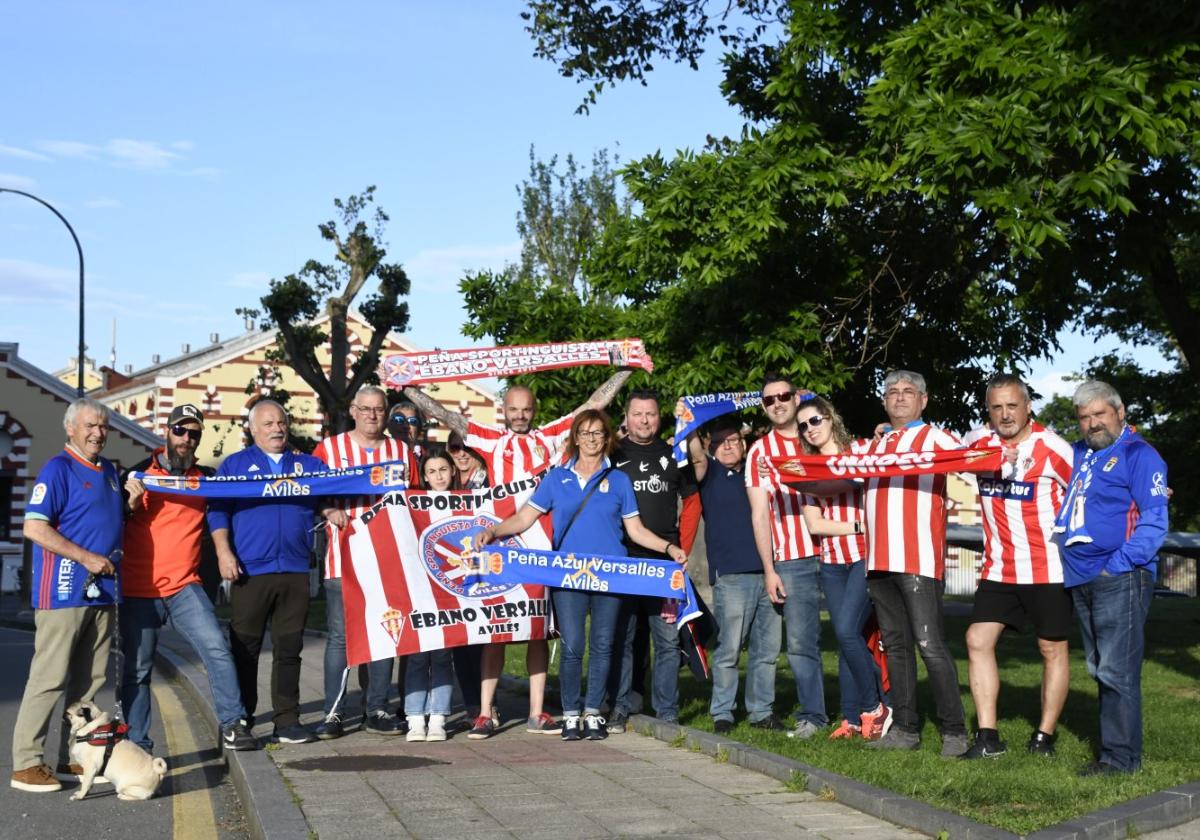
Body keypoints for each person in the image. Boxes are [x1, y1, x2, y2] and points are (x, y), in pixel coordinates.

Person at [403, 371, 631, 738]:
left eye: (526, 410)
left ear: (534, 411)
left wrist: (622, 372)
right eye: (514, 409)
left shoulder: (550, 437)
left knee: (537, 629)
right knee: (497, 629)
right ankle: (484, 710)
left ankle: (537, 712)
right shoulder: (492, 440)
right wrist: (410, 389)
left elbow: (593, 406)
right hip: (505, 543)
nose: (521, 415)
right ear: (504, 411)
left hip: (543, 549)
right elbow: (449, 417)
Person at [475, 410, 688, 740]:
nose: (591, 439)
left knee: (603, 645)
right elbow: (524, 518)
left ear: (607, 438)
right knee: (573, 645)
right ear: (575, 438)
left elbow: (636, 530)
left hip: (610, 576)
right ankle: (571, 712)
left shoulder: (619, 480)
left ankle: (593, 713)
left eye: (598, 433)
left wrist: (669, 548)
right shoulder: (556, 479)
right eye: (585, 433)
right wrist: (494, 531)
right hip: (568, 576)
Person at [120, 404, 258, 754]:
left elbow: (246, 483)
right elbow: (108, 523)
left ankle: (233, 723)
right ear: (166, 432)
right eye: (180, 431)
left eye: (194, 433)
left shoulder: (205, 478)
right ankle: (138, 743)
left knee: (216, 648)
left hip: (185, 586)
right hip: (140, 590)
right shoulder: (136, 475)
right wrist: (128, 507)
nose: (186, 439)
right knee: (137, 670)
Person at [208, 400, 344, 744]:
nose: (277, 429)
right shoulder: (235, 466)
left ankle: (287, 721)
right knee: (245, 649)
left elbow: (323, 496)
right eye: (268, 423)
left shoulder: (308, 465)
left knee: (289, 649)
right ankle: (242, 719)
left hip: (296, 570)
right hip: (250, 571)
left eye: (281, 422)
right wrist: (224, 553)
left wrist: (329, 510)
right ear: (252, 430)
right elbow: (217, 512)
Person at [960, 375, 1074, 759]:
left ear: (1027, 407)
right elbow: (935, 454)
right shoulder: (977, 444)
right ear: (988, 411)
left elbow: (1091, 487)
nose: (1005, 415)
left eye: (1012, 406)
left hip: (1048, 568)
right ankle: (988, 738)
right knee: (977, 640)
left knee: (1051, 649)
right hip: (999, 569)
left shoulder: (1053, 447)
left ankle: (1044, 737)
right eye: (997, 407)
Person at [11, 399, 122, 793]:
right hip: (62, 592)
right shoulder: (57, 469)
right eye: (90, 425)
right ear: (70, 429)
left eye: (104, 426)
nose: (98, 432)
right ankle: (26, 763)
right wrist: (86, 557)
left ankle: (73, 757)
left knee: (88, 684)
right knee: (50, 678)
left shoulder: (108, 471)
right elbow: (35, 528)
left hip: (101, 593)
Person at [1059, 380, 1168, 776]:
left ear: (1120, 413)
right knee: (1099, 668)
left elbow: (1155, 522)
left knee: (1116, 671)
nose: (1092, 423)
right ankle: (1110, 754)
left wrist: (1116, 565)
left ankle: (1121, 761)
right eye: (1084, 417)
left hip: (1119, 576)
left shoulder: (1140, 454)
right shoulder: (1075, 454)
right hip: (1080, 577)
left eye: (1100, 414)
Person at [860, 371, 968, 756]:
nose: (900, 398)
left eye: (909, 392)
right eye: (893, 392)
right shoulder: (876, 443)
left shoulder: (936, 437)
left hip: (919, 558)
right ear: (884, 401)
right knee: (896, 647)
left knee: (930, 644)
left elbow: (971, 460)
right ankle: (905, 728)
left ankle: (954, 731)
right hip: (879, 560)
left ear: (924, 400)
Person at [311, 386, 415, 739]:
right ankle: (333, 713)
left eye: (379, 409)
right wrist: (327, 509)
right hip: (344, 556)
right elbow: (310, 491)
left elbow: (415, 498)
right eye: (366, 409)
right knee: (341, 637)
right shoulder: (329, 449)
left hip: (388, 559)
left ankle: (378, 708)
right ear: (353, 410)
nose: (373, 415)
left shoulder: (400, 450)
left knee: (386, 633)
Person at [796, 396, 892, 741]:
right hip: (833, 562)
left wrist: (886, 431)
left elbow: (890, 453)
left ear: (830, 417)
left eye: (816, 420)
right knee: (846, 637)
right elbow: (815, 525)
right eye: (804, 425)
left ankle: (877, 708)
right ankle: (852, 719)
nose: (811, 429)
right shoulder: (807, 471)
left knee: (849, 632)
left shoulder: (862, 451)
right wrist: (856, 525)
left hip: (866, 556)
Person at [608, 389, 697, 732]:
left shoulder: (675, 452)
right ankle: (619, 704)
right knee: (623, 636)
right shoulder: (611, 453)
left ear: (659, 417)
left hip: (664, 563)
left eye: (651, 414)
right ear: (626, 418)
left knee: (667, 639)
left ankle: (668, 712)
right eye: (637, 414)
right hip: (623, 560)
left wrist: (682, 547)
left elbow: (692, 501)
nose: (644, 420)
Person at [745, 373, 827, 738]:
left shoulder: (819, 436)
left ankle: (868, 711)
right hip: (793, 558)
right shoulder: (760, 452)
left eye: (783, 396)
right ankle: (814, 715)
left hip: (843, 551)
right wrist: (769, 568)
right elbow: (759, 514)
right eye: (769, 400)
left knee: (855, 635)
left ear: (797, 397)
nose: (777, 403)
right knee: (799, 643)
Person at [687, 422, 782, 735]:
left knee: (766, 651)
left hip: (771, 572)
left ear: (745, 443)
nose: (728, 446)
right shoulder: (710, 474)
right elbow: (696, 454)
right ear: (711, 446)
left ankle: (761, 712)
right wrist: (689, 424)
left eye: (734, 440)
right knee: (729, 649)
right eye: (720, 442)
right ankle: (723, 713)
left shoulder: (758, 473)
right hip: (732, 575)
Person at [404, 451, 459, 742]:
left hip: (449, 591)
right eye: (432, 471)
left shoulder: (466, 503)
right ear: (424, 476)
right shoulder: (412, 506)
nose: (438, 476)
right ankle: (415, 718)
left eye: (443, 469)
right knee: (416, 656)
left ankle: (438, 717)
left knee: (441, 656)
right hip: (419, 589)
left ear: (452, 471)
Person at [446, 430, 487, 726]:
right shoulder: (444, 479)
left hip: (483, 566)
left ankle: (488, 703)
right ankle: (473, 706)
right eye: (454, 447)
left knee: (484, 637)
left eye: (465, 447)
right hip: (452, 567)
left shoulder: (488, 477)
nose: (460, 453)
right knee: (460, 639)